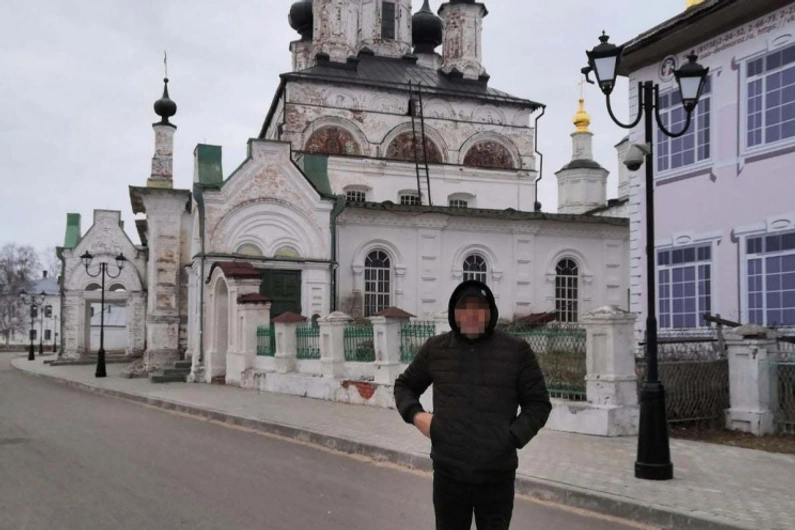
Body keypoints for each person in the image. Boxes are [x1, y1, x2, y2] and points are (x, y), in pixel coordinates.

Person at [394, 280, 552, 530]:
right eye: (464, 308)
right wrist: (417, 416)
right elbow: (404, 386)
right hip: (449, 476)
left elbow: (539, 404)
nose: (471, 314)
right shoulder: (436, 349)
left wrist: (510, 437)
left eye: (479, 307)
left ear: (490, 312)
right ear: (454, 313)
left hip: (496, 479)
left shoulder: (516, 351)